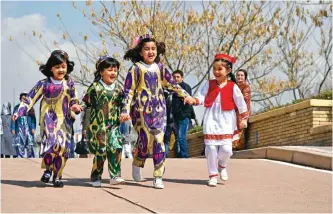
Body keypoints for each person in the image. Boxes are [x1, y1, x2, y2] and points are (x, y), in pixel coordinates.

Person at [120, 34, 193, 189]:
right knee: (145, 142)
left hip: (159, 111)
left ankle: (158, 176)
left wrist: (186, 96)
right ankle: (137, 163)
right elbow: (128, 91)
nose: (151, 52)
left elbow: (173, 85)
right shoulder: (136, 69)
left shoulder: (161, 68)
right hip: (140, 112)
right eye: (147, 49)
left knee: (159, 141)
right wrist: (125, 110)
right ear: (140, 52)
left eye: (153, 49)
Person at [12, 50, 82, 187]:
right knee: (50, 145)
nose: (61, 70)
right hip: (48, 120)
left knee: (62, 149)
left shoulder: (70, 84)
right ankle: (48, 169)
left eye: (63, 66)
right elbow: (30, 98)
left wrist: (75, 107)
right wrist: (19, 112)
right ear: (51, 68)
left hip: (64, 122)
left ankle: (57, 176)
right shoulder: (43, 84)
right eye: (57, 67)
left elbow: (74, 99)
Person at [188, 53, 248, 187]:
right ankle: (213, 174)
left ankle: (222, 164)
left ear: (228, 71)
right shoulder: (208, 84)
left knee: (227, 149)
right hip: (211, 117)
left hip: (227, 118)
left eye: (220, 69)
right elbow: (201, 97)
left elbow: (241, 104)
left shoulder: (233, 86)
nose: (216, 72)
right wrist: (194, 100)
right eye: (214, 69)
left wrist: (243, 118)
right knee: (210, 148)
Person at [82, 56, 125, 187]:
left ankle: (115, 175)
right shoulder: (95, 87)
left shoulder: (119, 88)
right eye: (110, 70)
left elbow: (124, 103)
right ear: (101, 72)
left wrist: (125, 112)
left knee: (116, 148)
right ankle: (96, 176)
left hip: (114, 125)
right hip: (98, 125)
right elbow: (85, 103)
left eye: (115, 70)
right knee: (101, 151)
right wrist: (77, 108)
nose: (113, 73)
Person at [172, 70, 194, 158]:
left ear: (182, 77)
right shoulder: (171, 88)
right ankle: (179, 156)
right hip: (175, 116)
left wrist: (185, 114)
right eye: (174, 77)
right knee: (178, 137)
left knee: (182, 137)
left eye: (178, 77)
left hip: (184, 115)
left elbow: (188, 100)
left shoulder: (186, 87)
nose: (176, 79)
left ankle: (184, 156)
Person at [11, 93, 36, 158]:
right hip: (19, 127)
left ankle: (30, 157)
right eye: (22, 98)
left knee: (29, 144)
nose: (23, 100)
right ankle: (20, 157)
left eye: (25, 99)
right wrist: (13, 128)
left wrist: (33, 128)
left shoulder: (30, 108)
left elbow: (33, 119)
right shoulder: (16, 108)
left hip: (28, 128)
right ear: (20, 99)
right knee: (19, 144)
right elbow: (13, 119)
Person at [233, 69, 251, 150]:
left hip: (242, 113)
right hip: (233, 112)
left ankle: (238, 148)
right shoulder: (233, 86)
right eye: (238, 75)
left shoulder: (246, 87)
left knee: (240, 130)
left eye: (242, 75)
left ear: (245, 77)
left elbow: (243, 99)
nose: (239, 77)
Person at [163, 89, 174, 158]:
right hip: (171, 121)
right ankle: (165, 155)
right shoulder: (170, 100)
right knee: (167, 140)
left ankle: (164, 155)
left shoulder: (163, 101)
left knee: (164, 140)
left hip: (166, 122)